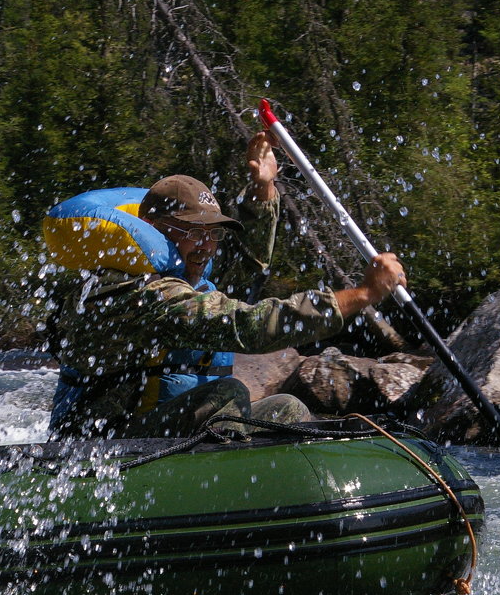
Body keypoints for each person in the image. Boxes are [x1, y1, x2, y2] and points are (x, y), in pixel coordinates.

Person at [45, 132, 406, 439]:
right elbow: (247, 325)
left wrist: (262, 190)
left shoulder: (185, 276)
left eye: (212, 234)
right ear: (153, 227)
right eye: (192, 231)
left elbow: (246, 265)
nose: (205, 245)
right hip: (104, 444)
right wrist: (362, 295)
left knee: (287, 408)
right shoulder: (140, 293)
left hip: (159, 432)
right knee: (226, 394)